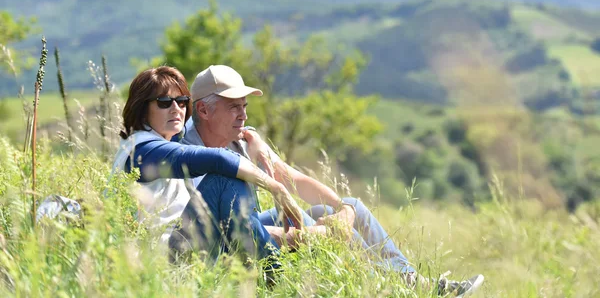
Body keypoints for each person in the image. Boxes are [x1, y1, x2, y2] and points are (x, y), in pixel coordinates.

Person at [181, 64, 484, 296]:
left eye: (245, 106)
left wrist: (344, 210)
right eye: (234, 106)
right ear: (204, 110)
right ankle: (396, 290)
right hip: (222, 246)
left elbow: (294, 179)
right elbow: (227, 230)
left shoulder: (241, 139)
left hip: (253, 225)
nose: (243, 115)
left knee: (348, 208)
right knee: (329, 228)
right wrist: (318, 234)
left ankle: (420, 286)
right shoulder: (187, 153)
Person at [110, 66, 305, 263]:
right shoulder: (141, 151)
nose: (176, 108)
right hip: (165, 259)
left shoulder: (162, 141)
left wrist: (251, 134)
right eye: (164, 102)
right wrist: (276, 187)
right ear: (142, 108)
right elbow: (218, 159)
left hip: (185, 239)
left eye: (182, 101)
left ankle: (322, 231)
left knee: (288, 217)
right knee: (224, 179)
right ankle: (273, 273)